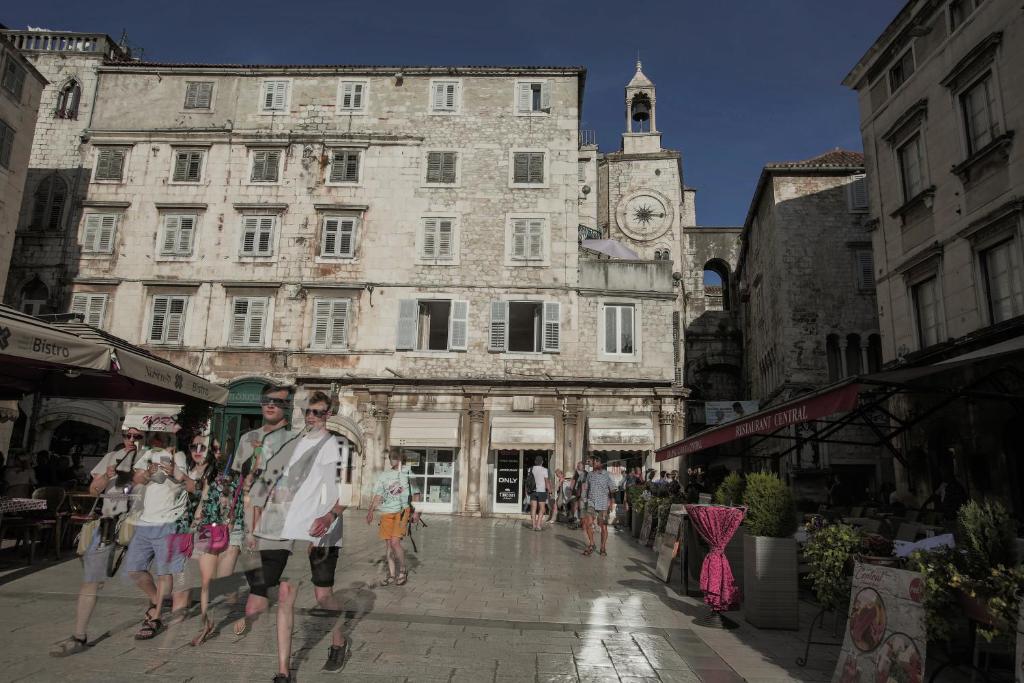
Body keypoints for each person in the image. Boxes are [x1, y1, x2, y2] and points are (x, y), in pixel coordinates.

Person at [248, 391, 352, 681]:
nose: (311, 417)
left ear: (330, 413)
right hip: (289, 529)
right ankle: (283, 671)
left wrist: (330, 516)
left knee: (322, 596)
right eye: (308, 411)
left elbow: (349, 491)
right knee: (285, 595)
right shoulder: (294, 444)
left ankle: (339, 640)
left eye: (318, 412)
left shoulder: (339, 446)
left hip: (323, 531)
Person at [49, 428, 144, 656]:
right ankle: (79, 635)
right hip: (109, 523)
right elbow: (93, 490)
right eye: (127, 436)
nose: (131, 440)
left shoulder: (147, 458)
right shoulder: (110, 457)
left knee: (141, 575)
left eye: (137, 436)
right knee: (91, 580)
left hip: (140, 525)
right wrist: (106, 476)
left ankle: (157, 609)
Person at [232, 383, 296, 637]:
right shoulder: (247, 439)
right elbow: (235, 479)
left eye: (279, 402)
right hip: (247, 526)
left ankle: (247, 633)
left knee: (259, 589)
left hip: (276, 527)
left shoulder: (294, 441)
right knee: (257, 588)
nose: (272, 405)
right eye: (268, 400)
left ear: (287, 408)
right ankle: (263, 617)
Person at [126, 431, 192, 640]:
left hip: (168, 522)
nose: (158, 440)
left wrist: (173, 471)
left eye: (162, 437)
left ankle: (155, 617)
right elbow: (136, 479)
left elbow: (189, 484)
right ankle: (157, 600)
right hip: (145, 521)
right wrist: (147, 472)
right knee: (134, 570)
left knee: (165, 572)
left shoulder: (179, 456)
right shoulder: (147, 455)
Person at [181, 435, 239, 647]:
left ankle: (213, 620)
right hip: (208, 530)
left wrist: (233, 522)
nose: (215, 453)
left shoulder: (232, 478)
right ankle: (205, 624)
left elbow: (236, 504)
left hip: (227, 533)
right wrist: (195, 523)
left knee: (219, 583)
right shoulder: (209, 477)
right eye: (212, 450)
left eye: (216, 450)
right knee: (207, 582)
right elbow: (203, 502)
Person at [366, 450, 421, 587]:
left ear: (402, 459)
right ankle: (391, 575)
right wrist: (370, 511)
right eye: (390, 457)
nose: (392, 460)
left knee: (395, 542)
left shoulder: (409, 473)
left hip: (402, 511)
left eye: (395, 458)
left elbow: (416, 494)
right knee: (389, 544)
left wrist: (416, 513)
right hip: (387, 513)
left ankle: (402, 570)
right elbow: (378, 495)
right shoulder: (384, 475)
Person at [581, 454, 616, 557]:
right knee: (588, 524)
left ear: (600, 463)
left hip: (603, 504)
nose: (593, 463)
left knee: (603, 527)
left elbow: (613, 489)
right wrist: (584, 500)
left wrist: (612, 501)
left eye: (596, 462)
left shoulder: (607, 475)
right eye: (593, 462)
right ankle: (592, 544)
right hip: (591, 502)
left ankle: (603, 547)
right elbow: (586, 488)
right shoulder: (589, 475)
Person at [528, 456, 551, 531]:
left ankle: (533, 525)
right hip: (541, 491)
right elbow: (546, 481)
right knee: (542, 508)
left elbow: (528, 481)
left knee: (533, 508)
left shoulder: (530, 469)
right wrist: (549, 490)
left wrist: (526, 490)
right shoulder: (544, 470)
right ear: (542, 462)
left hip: (533, 491)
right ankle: (538, 525)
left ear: (535, 461)